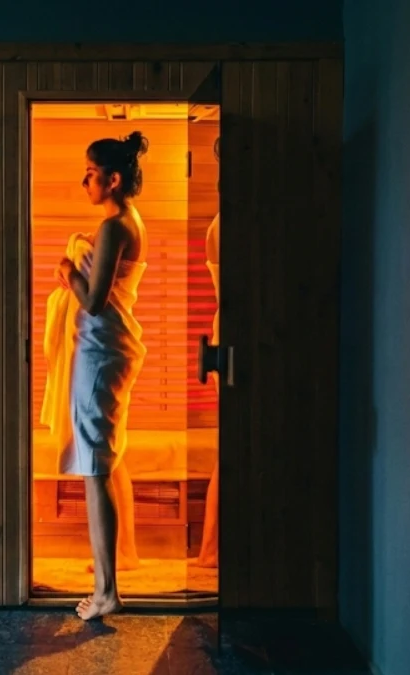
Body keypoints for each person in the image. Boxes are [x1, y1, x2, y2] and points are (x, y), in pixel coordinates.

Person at [44, 131, 150, 620]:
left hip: (101, 350)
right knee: (98, 463)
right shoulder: (129, 221)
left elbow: (93, 300)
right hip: (108, 348)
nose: (83, 179)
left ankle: (107, 590)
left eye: (89, 172)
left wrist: (69, 269)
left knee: (95, 467)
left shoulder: (114, 226)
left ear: (112, 178)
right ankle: (106, 578)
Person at [193, 137, 221, 569]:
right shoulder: (224, 224)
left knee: (226, 449)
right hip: (231, 335)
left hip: (226, 334)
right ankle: (211, 550)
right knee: (228, 448)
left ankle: (211, 550)